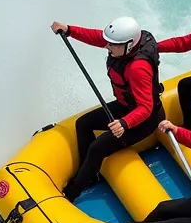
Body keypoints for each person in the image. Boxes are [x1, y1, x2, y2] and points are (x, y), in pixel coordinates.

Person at [50, 16, 165, 200]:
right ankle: (87, 172)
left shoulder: (137, 68)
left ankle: (74, 191)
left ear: (128, 45)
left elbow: (146, 107)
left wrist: (124, 123)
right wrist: (69, 30)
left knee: (97, 148)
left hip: (144, 119)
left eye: (112, 45)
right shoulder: (123, 47)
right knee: (83, 123)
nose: (107, 47)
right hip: (126, 107)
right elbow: (98, 38)